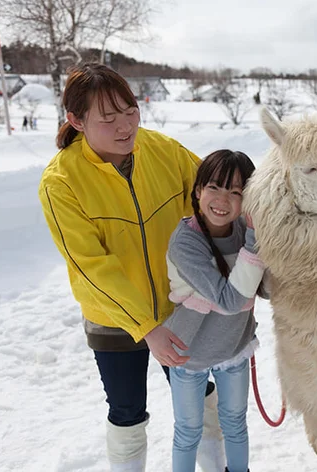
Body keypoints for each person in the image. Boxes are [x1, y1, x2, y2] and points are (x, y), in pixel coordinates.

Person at [38, 63, 225, 472]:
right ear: (76, 120)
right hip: (115, 321)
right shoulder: (62, 182)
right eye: (108, 119)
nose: (125, 126)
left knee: (201, 398)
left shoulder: (164, 151)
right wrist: (146, 327)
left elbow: (218, 194)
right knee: (126, 411)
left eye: (131, 111)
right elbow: (91, 267)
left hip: (179, 308)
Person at [162, 149, 265, 472]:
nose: (223, 200)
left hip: (234, 347)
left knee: (235, 422)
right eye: (215, 187)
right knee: (188, 430)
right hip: (187, 353)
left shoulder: (242, 233)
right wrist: (256, 244)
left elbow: (267, 289)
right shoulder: (185, 242)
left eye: (236, 192)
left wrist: (273, 240)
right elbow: (231, 300)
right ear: (197, 191)